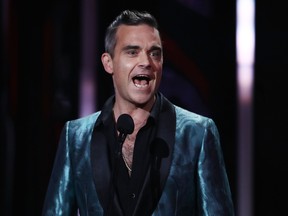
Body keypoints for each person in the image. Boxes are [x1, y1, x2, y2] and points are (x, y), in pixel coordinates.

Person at [42, 9, 235, 216]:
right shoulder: (76, 137)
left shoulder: (198, 133)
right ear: (109, 63)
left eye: (155, 53)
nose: (146, 62)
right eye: (132, 52)